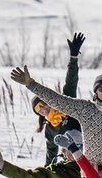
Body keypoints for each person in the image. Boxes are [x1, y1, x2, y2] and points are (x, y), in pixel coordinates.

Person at [31, 33, 85, 164]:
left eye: (43, 104)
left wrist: (73, 58)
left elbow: (71, 82)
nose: (42, 109)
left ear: (50, 102)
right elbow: (51, 153)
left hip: (87, 152)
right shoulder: (50, 130)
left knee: (73, 135)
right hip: (70, 160)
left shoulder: (66, 105)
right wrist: (46, 173)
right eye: (38, 109)